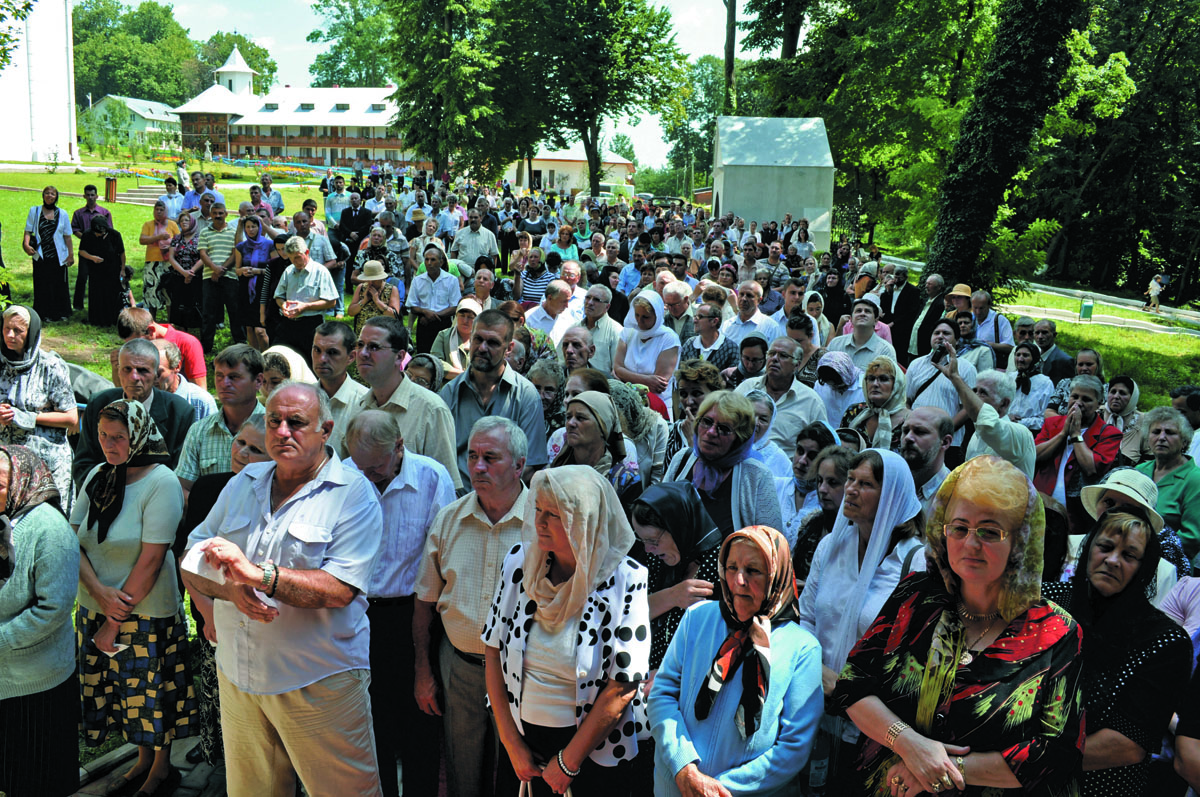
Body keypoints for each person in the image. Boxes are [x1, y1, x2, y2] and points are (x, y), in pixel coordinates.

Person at [832, 456, 1087, 797]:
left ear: (1020, 542)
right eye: (959, 527)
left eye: (990, 531)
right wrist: (909, 744)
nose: (970, 544)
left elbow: (1058, 753)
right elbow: (852, 685)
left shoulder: (1056, 632)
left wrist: (943, 768)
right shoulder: (915, 596)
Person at [182, 382, 384, 796]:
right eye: (274, 421)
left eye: (296, 422)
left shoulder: (353, 494)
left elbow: (340, 589)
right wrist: (230, 591)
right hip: (239, 676)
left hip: (317, 681)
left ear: (326, 430)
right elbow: (191, 556)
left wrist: (258, 576)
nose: (282, 431)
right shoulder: (244, 482)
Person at [483, 466, 650, 796]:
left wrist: (568, 763)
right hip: (523, 749)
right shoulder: (519, 562)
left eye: (554, 514)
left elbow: (623, 685)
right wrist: (511, 743)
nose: (540, 522)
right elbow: (492, 649)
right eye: (537, 510)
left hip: (592, 754)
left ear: (584, 520)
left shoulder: (626, 579)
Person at [72, 399, 195, 797]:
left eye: (119, 437)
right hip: (97, 604)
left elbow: (152, 559)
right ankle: (141, 762)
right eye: (103, 436)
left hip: (143, 612)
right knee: (124, 694)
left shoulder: (161, 482)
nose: (109, 445)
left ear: (139, 436)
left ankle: (160, 770)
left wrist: (113, 618)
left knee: (151, 694)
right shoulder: (98, 475)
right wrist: (99, 593)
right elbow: (73, 540)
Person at [648, 525, 823, 796]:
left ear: (776, 576)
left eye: (752, 570)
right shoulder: (697, 618)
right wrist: (684, 767)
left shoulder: (802, 648)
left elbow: (794, 746)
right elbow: (662, 694)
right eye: (731, 567)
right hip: (677, 786)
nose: (739, 580)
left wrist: (718, 790)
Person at [796, 449, 927, 785]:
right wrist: (815, 669)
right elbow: (807, 617)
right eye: (851, 479)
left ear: (892, 496)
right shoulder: (831, 547)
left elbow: (912, 656)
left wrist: (845, 688)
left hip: (873, 724)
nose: (851, 489)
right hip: (816, 705)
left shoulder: (914, 562)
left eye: (865, 484)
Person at [415, 417, 529, 797]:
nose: (478, 467)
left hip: (523, 671)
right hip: (460, 666)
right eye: (472, 456)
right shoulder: (450, 519)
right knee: (462, 773)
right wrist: (423, 671)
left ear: (519, 465)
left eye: (490, 458)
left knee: (520, 774)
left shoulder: (542, 522)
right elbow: (425, 602)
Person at [1042, 508, 1192, 795]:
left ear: (1145, 568)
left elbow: (1126, 746)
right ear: (1088, 548)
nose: (1112, 560)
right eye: (1105, 547)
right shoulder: (1049, 602)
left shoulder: (1165, 641)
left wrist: (1021, 764)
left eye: (1129, 555)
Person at [345, 411, 455, 797]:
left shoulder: (432, 478)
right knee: (369, 725)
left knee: (420, 721)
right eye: (361, 466)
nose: (368, 475)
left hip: (414, 615)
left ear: (399, 447)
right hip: (356, 615)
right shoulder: (346, 475)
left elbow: (444, 559)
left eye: (376, 467)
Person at [0, 445, 81, 797]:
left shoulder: (50, 530)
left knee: (38, 777)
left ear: (22, 481)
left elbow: (54, 609)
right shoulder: (3, 519)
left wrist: (1, 640)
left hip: (36, 685)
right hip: (4, 679)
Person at [439, 309, 549, 484]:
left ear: (508, 348)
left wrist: (493, 493)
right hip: (456, 496)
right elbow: (438, 458)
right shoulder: (450, 393)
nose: (482, 348)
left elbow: (530, 465)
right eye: (478, 339)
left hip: (505, 497)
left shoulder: (526, 395)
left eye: (493, 343)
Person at [353, 315, 463, 489]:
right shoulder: (359, 407)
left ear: (399, 357)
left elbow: (446, 486)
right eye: (360, 345)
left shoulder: (431, 410)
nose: (363, 353)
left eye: (374, 347)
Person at [73, 339, 195, 489]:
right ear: (118, 371)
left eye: (143, 370)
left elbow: (179, 474)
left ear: (156, 375)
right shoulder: (98, 403)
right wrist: (108, 494)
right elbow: (83, 465)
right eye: (127, 369)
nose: (134, 377)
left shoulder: (180, 412)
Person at [664, 390, 784, 537]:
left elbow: (771, 541)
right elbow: (657, 515)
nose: (711, 432)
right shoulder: (682, 459)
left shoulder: (756, 475)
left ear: (739, 438)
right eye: (707, 421)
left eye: (724, 428)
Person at [0, 305, 77, 511]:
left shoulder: (50, 366)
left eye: (18, 330)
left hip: (45, 462)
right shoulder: (1, 364)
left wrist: (26, 417)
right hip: (6, 464)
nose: (10, 335)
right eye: (7, 328)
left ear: (31, 332)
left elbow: (71, 418)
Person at [174, 344, 266, 496]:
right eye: (219, 376)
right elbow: (183, 487)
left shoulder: (272, 429)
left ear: (258, 381)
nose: (224, 383)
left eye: (234, 377)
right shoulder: (199, 431)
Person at [1034, 374, 1121, 531]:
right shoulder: (1052, 423)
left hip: (1077, 516)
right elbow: (1035, 455)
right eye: (1074, 396)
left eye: (1086, 399)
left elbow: (1091, 468)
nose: (1078, 403)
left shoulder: (1109, 433)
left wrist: (1075, 434)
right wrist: (1062, 434)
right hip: (1041, 506)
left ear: (1099, 403)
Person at [937, 350, 1037, 477]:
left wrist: (955, 377)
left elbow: (990, 426)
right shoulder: (975, 435)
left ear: (1004, 403)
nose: (974, 397)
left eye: (983, 393)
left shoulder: (1021, 433)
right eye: (974, 391)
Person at [552, 390, 643, 506]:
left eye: (580, 418)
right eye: (568, 417)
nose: (571, 423)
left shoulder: (625, 481)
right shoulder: (554, 473)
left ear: (603, 428)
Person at [1136, 406, 1200, 562]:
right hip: (1130, 559)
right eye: (1156, 432)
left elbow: (1192, 538)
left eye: (1170, 432)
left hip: (1169, 565)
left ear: (1184, 441)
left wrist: (1143, 547)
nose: (1162, 437)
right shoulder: (1139, 471)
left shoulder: (1194, 479)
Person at [907, 318, 978, 449]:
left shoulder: (967, 369)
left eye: (946, 333)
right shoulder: (916, 364)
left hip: (947, 442)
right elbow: (906, 400)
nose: (940, 336)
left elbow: (968, 409)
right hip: (915, 438)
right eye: (936, 333)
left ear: (957, 340)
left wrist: (943, 431)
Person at [273, 235, 337, 366]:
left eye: (297, 257)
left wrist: (305, 307)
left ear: (306, 252)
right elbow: (278, 296)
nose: (294, 262)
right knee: (279, 360)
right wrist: (283, 304)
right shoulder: (288, 271)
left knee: (310, 363)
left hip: (311, 324)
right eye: (291, 258)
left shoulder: (320, 271)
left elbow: (331, 302)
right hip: (288, 323)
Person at [614, 291, 682, 413]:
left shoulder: (669, 339)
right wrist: (647, 380)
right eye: (637, 315)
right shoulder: (628, 332)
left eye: (645, 317)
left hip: (657, 406)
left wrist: (624, 377)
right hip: (626, 404)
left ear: (657, 316)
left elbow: (658, 386)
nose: (640, 321)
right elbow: (617, 367)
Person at [24, 186, 75, 322]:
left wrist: (71, 254)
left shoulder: (62, 214)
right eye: (47, 193)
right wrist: (26, 245)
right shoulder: (34, 211)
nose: (49, 196)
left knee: (59, 284)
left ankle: (59, 313)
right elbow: (28, 231)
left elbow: (67, 236)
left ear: (56, 197)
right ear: (43, 195)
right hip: (40, 255)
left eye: (52, 194)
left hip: (58, 256)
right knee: (42, 284)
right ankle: (43, 313)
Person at [841, 354, 909, 451]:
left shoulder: (910, 421)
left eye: (883, 379)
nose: (875, 384)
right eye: (871, 379)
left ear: (897, 384)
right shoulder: (854, 412)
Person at [77, 214, 126, 327]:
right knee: (96, 294)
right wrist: (92, 258)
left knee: (110, 294)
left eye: (101, 233)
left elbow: (122, 253)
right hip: (95, 270)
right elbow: (81, 251)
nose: (98, 235)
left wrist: (122, 269)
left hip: (112, 269)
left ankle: (111, 319)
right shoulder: (87, 235)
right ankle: (95, 319)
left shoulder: (115, 235)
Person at [139, 200, 180, 320]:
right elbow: (142, 240)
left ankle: (171, 321)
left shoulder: (172, 225)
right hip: (152, 262)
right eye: (157, 209)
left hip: (169, 262)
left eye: (161, 210)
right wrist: (158, 237)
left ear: (166, 212)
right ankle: (152, 321)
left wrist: (169, 247)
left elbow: (179, 242)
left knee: (169, 292)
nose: (159, 212)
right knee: (151, 292)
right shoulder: (148, 225)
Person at [165, 211, 204, 332]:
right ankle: (181, 331)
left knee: (194, 305)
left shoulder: (200, 237)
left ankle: (195, 332)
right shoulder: (177, 238)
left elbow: (204, 257)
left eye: (186, 220)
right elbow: (171, 257)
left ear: (192, 222)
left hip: (195, 277)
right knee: (178, 305)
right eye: (181, 221)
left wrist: (191, 272)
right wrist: (183, 272)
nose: (183, 223)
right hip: (178, 276)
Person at [1100, 375, 1149, 466]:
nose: (1116, 396)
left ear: (1133, 397)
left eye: (1122, 393)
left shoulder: (1144, 421)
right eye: (1113, 392)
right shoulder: (1096, 415)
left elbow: (1150, 461)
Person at [347, 259, 403, 337]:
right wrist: (364, 300)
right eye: (368, 279)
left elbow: (393, 316)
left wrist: (377, 301)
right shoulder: (361, 288)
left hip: (384, 336)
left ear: (381, 278)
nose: (370, 283)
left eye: (374, 280)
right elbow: (351, 312)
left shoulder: (392, 290)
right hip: (362, 335)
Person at [1008, 340, 1054, 433]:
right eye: (1018, 355)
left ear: (1035, 358)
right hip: (1007, 429)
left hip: (1031, 433)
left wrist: (1020, 423)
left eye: (1025, 355)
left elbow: (1045, 419)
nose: (1020, 359)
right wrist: (1007, 417)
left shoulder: (1045, 383)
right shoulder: (1008, 378)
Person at [814, 351, 865, 429]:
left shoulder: (864, 386)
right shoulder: (820, 386)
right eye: (829, 383)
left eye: (837, 383)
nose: (833, 386)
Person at [1033, 319, 1074, 385]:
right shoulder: (1033, 357)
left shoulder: (1065, 361)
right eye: (1037, 333)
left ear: (1054, 335)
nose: (1040, 336)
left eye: (1044, 332)